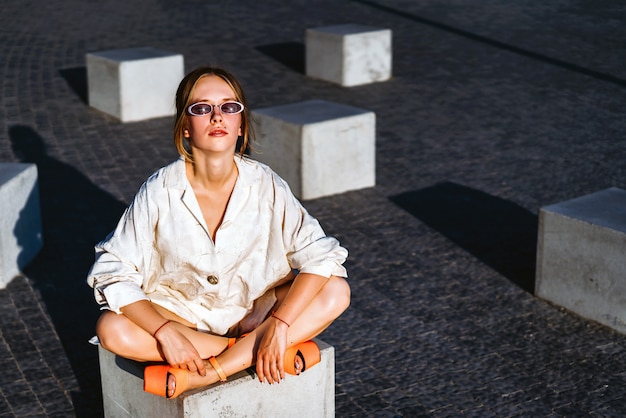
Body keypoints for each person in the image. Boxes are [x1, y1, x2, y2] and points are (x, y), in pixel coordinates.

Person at [87, 66, 351, 399]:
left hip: (256, 311)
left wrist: (279, 323)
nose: (217, 117)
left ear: (240, 125)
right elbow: (112, 270)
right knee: (113, 330)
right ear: (185, 126)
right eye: (201, 108)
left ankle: (212, 372)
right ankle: (253, 353)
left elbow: (321, 255)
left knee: (336, 291)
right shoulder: (159, 190)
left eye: (229, 107)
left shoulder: (265, 183)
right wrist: (165, 331)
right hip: (184, 318)